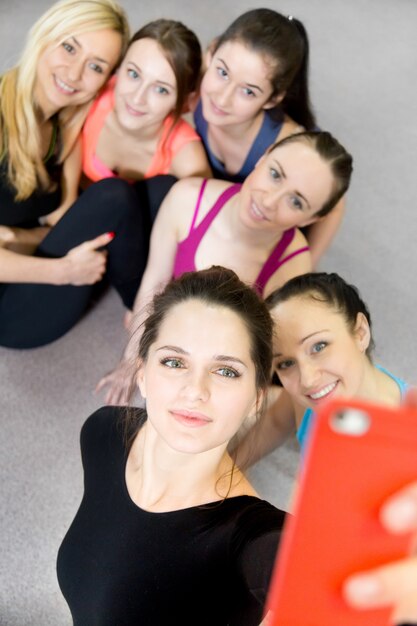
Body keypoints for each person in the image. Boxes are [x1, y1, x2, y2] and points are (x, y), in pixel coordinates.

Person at [57, 266, 286, 626]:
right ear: (143, 374)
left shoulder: (255, 536)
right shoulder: (102, 434)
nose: (196, 390)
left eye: (226, 370)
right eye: (174, 362)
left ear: (257, 398)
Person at [97, 130, 353, 405]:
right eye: (275, 175)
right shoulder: (186, 199)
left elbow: (260, 354)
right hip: (174, 318)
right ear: (262, 158)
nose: (268, 201)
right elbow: (154, 282)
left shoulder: (292, 265)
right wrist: (130, 361)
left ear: (312, 218)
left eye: (295, 201)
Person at [0, 0, 155, 349]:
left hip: (34, 262)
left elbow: (60, 219)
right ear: (45, 34)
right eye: (69, 47)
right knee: (117, 196)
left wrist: (14, 238)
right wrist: (64, 271)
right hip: (13, 314)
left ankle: (154, 293)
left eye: (95, 66)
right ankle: (145, 307)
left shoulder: (64, 125)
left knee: (148, 192)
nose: (73, 73)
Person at [194, 8, 347, 265]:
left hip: (266, 214)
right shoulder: (199, 75)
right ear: (211, 53)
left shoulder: (286, 143)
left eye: (249, 92)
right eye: (222, 72)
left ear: (274, 98)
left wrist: (307, 263)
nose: (222, 98)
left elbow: (334, 207)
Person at [235, 272, 409, 464]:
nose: (307, 379)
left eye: (319, 347)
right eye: (286, 363)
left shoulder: (406, 438)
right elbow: (277, 422)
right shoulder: (312, 392)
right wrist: (228, 475)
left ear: (360, 333)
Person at [81, 18, 211, 188]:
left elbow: (210, 212)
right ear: (119, 67)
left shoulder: (186, 155)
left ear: (183, 101)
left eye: (161, 90)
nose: (137, 98)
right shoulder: (92, 94)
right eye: (133, 74)